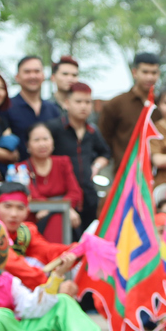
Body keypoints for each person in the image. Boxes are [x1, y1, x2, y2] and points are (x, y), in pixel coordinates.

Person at [46, 82, 111, 234]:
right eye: (78, 101)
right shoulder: (54, 128)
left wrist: (95, 167)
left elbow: (105, 153)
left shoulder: (92, 130)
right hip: (62, 195)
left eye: (87, 102)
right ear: (67, 103)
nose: (84, 106)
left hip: (88, 194)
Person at [23, 123, 83, 243]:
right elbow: (31, 195)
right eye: (36, 140)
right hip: (35, 219)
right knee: (57, 217)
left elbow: (75, 192)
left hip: (65, 217)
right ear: (28, 145)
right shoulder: (21, 168)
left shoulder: (63, 162)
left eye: (46, 139)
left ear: (52, 142)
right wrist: (61, 207)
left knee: (58, 217)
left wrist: (66, 209)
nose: (42, 144)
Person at [99, 52, 160, 166]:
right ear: (134, 73)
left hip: (156, 173)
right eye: (145, 72)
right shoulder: (116, 104)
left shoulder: (162, 104)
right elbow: (104, 138)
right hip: (125, 173)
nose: (150, 77)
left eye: (154, 73)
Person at [5, 56, 61, 160]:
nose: (32, 76)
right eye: (27, 72)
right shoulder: (7, 107)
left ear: (43, 76)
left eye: (37, 71)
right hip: (17, 172)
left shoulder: (53, 109)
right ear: (17, 77)